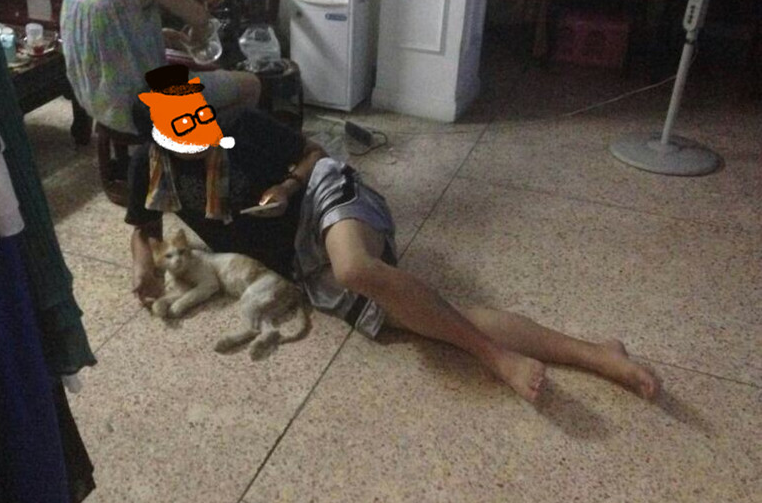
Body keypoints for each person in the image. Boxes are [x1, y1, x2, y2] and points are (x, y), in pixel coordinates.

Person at [126, 85, 660, 404]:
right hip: (298, 263)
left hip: (323, 200)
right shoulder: (146, 169)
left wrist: (287, 188)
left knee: (355, 268)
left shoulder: (239, 126)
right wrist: (142, 266)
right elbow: (142, 228)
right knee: (432, 316)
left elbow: (313, 154)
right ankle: (597, 354)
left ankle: (497, 357)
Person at [60, 0, 261, 136]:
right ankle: (202, 163)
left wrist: (159, 35)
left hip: (94, 98)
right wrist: (201, 28)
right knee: (251, 85)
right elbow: (200, 19)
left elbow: (109, 30)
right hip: (138, 107)